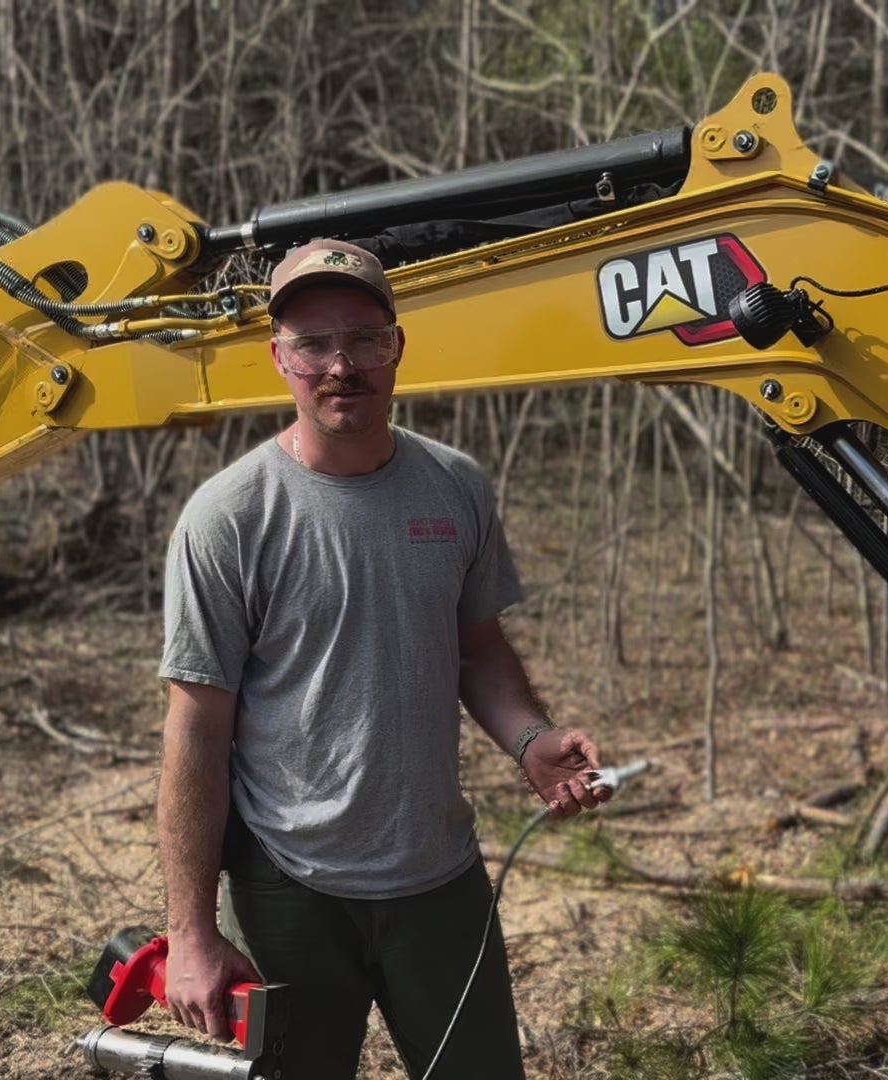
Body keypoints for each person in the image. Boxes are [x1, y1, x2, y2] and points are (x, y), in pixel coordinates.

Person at [154, 238, 610, 1079]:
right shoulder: (228, 518)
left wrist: (528, 740)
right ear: (280, 359)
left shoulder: (455, 486)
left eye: (364, 339)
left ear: (398, 346)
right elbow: (196, 731)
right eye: (314, 344)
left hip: (438, 878)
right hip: (291, 884)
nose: (341, 365)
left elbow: (476, 648)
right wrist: (191, 933)